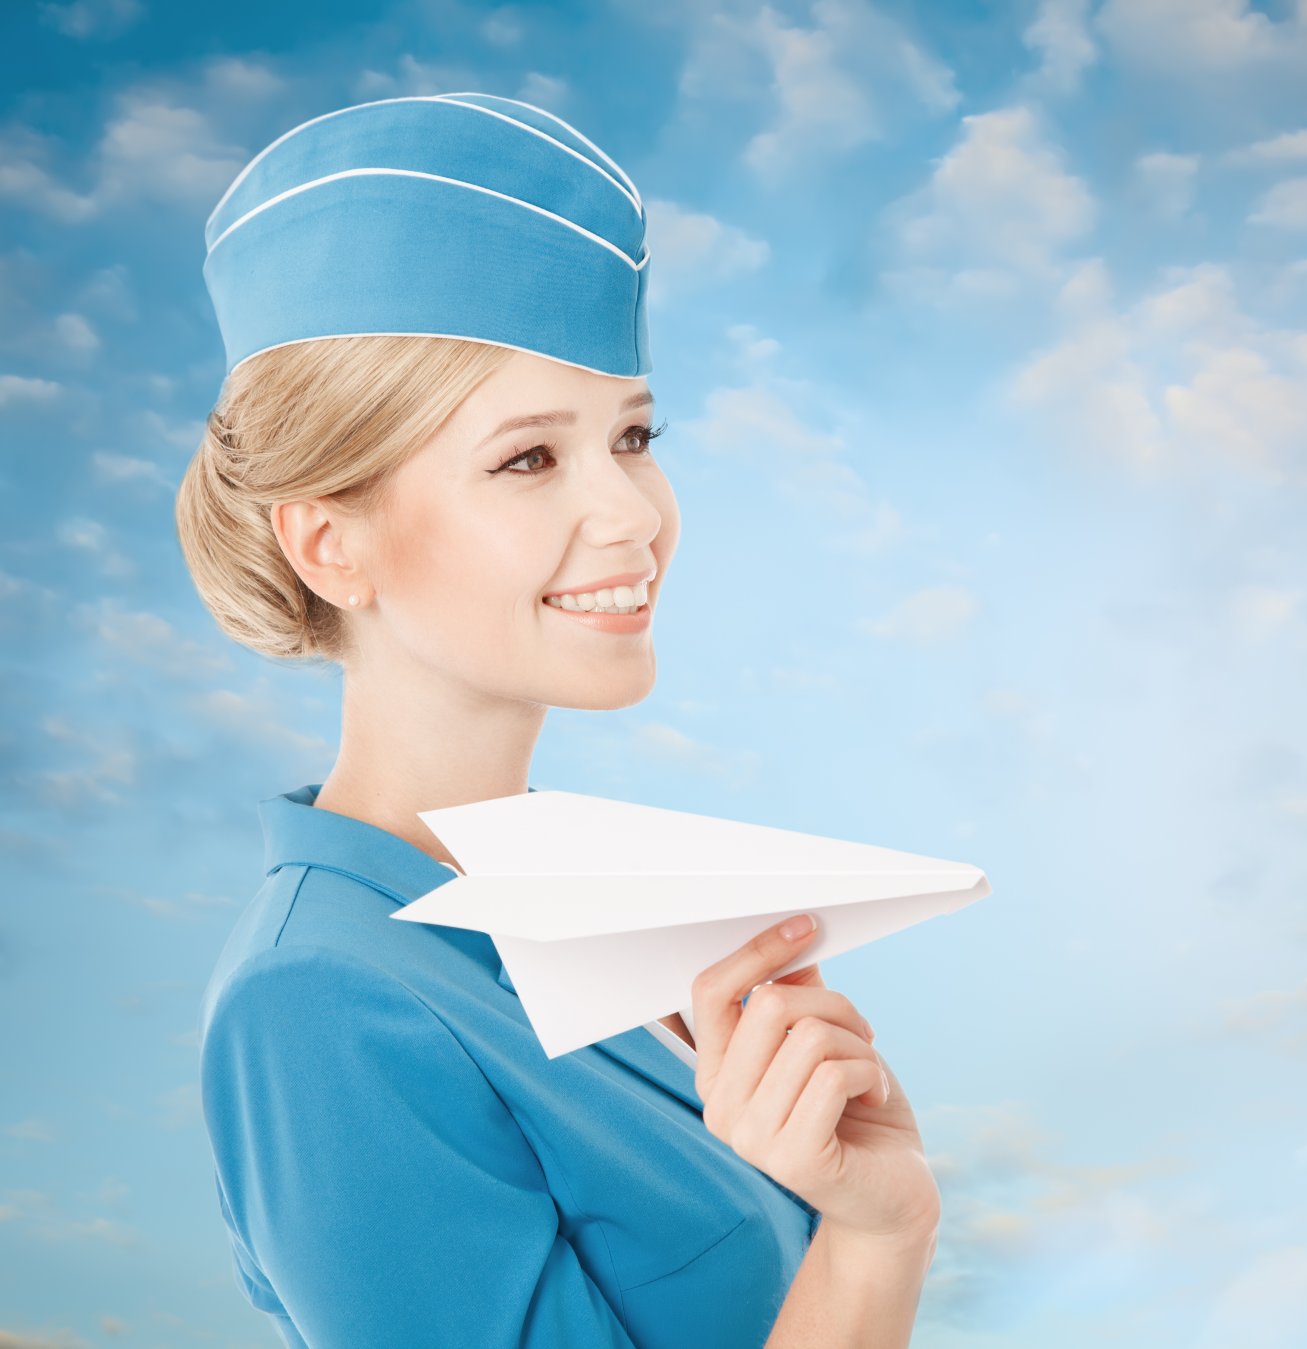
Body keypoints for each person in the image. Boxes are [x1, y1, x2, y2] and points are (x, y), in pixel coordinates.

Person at [175, 92, 940, 1348]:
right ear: (329, 542)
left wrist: (880, 1218)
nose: (635, 513)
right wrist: (872, 1239)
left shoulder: (596, 915)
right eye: (529, 458)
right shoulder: (317, 1001)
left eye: (633, 435)